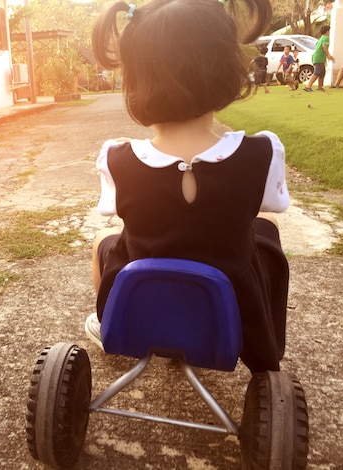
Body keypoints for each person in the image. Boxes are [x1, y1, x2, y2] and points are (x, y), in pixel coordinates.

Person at [86, 0, 290, 374]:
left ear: (133, 81)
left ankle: (108, 322)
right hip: (232, 310)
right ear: (228, 68)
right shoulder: (261, 153)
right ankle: (264, 336)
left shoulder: (117, 158)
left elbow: (121, 212)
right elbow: (273, 206)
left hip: (145, 303)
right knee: (267, 230)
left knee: (103, 239)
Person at [304, 25, 335, 92]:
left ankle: (320, 86)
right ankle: (308, 86)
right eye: (329, 30)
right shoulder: (326, 38)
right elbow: (324, 47)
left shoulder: (321, 38)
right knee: (317, 72)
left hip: (317, 57)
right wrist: (329, 55)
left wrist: (328, 56)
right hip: (319, 58)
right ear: (327, 31)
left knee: (322, 72)